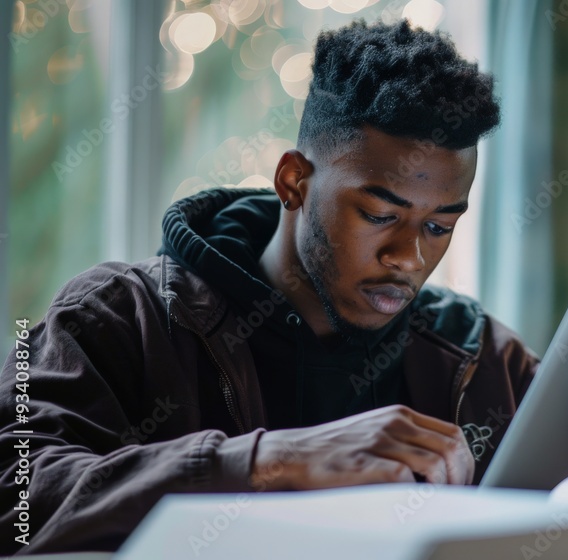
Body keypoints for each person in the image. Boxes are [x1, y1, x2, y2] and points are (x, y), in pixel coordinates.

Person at [0, 20, 538, 554]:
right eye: (378, 214)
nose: (409, 257)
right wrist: (268, 462)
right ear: (293, 182)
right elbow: (16, 501)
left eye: (439, 226)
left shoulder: (486, 359)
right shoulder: (114, 316)